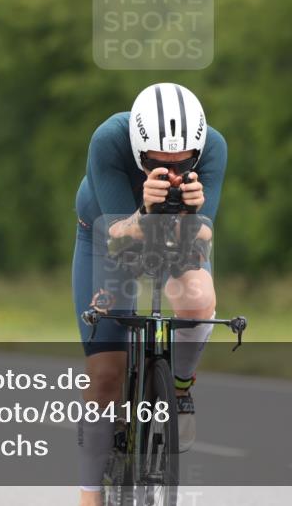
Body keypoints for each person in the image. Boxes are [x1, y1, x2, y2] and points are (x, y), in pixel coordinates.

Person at [72, 83, 227, 505]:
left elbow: (204, 236)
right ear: (139, 151)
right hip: (107, 236)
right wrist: (144, 210)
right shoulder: (108, 140)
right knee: (106, 376)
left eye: (184, 165)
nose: (173, 174)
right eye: (158, 164)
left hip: (176, 233)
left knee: (198, 301)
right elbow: (119, 239)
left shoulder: (214, 146)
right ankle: (89, 496)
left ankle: (179, 387)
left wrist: (193, 213)